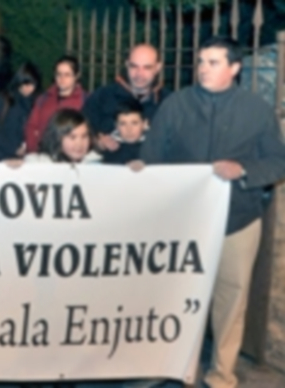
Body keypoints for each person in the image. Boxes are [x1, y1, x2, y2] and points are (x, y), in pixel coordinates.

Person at [140, 36, 285, 388]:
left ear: (234, 68)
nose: (203, 68)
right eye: (201, 61)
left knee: (231, 298)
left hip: (238, 219)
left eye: (213, 62)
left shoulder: (256, 110)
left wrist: (243, 169)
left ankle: (222, 374)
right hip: (183, 222)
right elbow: (152, 159)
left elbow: (277, 161)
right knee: (176, 294)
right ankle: (173, 366)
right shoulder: (176, 105)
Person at [83, 44, 170, 152]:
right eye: (134, 66)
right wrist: (97, 142)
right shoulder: (102, 97)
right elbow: (79, 132)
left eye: (147, 67)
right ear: (127, 64)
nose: (139, 74)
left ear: (158, 68)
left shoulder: (169, 103)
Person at [24, 55, 87, 154]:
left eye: (67, 75)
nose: (62, 78)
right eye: (59, 74)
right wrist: (33, 148)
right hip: (43, 154)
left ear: (76, 75)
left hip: (71, 155)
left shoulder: (85, 101)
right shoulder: (43, 99)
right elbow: (31, 126)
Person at [0, 62, 41, 160]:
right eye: (25, 83)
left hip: (26, 158)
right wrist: (13, 149)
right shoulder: (3, 99)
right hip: (0, 157)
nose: (28, 88)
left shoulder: (36, 103)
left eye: (32, 84)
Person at [9, 108, 101, 166]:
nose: (79, 143)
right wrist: (12, 169)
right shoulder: (39, 164)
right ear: (58, 137)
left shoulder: (96, 164)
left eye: (84, 136)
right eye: (72, 137)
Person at [98, 100, 148, 165]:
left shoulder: (153, 147)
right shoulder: (110, 147)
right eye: (123, 124)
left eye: (134, 123)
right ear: (116, 126)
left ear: (144, 124)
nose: (129, 129)